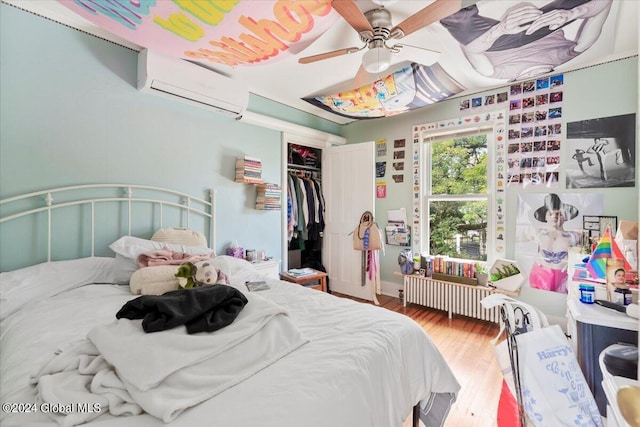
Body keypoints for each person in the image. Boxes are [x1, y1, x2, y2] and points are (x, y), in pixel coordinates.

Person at [440, 0, 613, 81]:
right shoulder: (568, 55)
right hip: (543, 27)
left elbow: (470, 49)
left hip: (498, 42)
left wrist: (501, 29)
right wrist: (572, 14)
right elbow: (604, 3)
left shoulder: (497, 74)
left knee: (454, 18)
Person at [529, 193, 580, 293]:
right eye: (550, 214)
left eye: (559, 213)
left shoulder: (574, 236)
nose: (554, 217)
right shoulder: (539, 233)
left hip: (562, 279)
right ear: (545, 217)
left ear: (566, 217)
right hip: (539, 275)